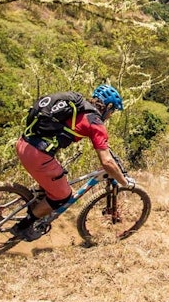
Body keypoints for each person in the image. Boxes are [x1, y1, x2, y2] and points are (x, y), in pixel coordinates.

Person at [11, 84, 134, 240]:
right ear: (108, 107)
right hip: (38, 156)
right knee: (63, 196)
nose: (110, 115)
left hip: (24, 144)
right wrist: (123, 182)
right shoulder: (95, 123)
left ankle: (37, 205)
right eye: (113, 111)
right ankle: (23, 227)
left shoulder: (79, 106)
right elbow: (107, 162)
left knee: (52, 183)